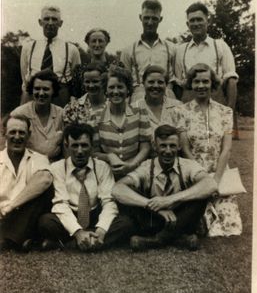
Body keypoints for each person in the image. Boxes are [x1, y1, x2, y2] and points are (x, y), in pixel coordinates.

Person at [112, 124, 217, 251]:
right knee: (130, 194)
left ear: (179, 146)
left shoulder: (188, 165)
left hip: (181, 218)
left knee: (201, 196)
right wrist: (152, 206)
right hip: (153, 219)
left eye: (172, 146)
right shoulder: (146, 167)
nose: (167, 151)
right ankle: (178, 238)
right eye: (163, 146)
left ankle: (156, 240)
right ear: (155, 147)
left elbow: (211, 184)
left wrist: (170, 200)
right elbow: (117, 189)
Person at [38, 123, 132, 251]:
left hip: (95, 216)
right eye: (75, 146)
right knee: (46, 221)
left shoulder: (102, 167)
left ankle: (68, 245)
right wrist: (78, 232)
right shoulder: (57, 168)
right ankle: (91, 242)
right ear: (66, 146)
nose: (80, 151)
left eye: (84, 145)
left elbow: (108, 202)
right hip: (70, 215)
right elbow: (60, 204)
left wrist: (101, 230)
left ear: (92, 146)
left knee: (125, 223)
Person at [179, 64, 242, 237]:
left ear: (212, 83)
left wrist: (215, 180)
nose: (200, 86)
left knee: (231, 226)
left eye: (205, 81)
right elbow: (184, 148)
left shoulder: (225, 112)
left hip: (219, 171)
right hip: (193, 172)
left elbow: (226, 149)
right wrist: (201, 177)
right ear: (191, 84)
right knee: (198, 224)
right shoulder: (181, 111)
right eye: (196, 81)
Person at [0, 115, 53, 251]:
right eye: (12, 132)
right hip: (2, 218)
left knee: (44, 192)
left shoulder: (38, 158)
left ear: (29, 135)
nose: (17, 137)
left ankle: (9, 240)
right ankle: (25, 240)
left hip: (25, 213)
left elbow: (45, 179)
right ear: (4, 133)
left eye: (22, 132)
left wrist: (11, 206)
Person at [174, 2, 238, 110]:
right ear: (187, 24)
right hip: (189, 105)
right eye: (192, 20)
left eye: (199, 19)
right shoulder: (181, 50)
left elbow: (231, 80)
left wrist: (229, 111)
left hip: (216, 103)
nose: (196, 23)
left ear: (207, 21)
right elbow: (178, 84)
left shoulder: (220, 46)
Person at [92, 66, 151, 180]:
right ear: (105, 90)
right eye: (111, 87)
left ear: (128, 89)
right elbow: (94, 152)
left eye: (120, 87)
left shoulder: (139, 112)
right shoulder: (95, 117)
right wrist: (109, 156)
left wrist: (132, 165)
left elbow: (145, 147)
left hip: (136, 169)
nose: (116, 92)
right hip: (107, 172)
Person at [20, 5, 81, 107]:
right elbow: (24, 76)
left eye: (54, 19)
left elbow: (77, 80)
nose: (50, 23)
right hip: (33, 95)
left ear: (60, 23)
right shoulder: (28, 47)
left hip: (60, 96)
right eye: (46, 19)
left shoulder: (71, 49)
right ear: (40, 22)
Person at [120, 0, 176, 102]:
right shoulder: (128, 50)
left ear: (160, 19)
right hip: (139, 97)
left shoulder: (172, 48)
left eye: (154, 18)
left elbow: (177, 80)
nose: (150, 22)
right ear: (140, 17)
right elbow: (125, 81)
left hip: (166, 96)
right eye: (146, 18)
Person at [11, 69, 63, 161]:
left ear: (53, 91)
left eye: (46, 89)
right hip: (27, 166)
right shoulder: (19, 114)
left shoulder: (61, 114)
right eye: (37, 89)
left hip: (55, 167)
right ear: (32, 90)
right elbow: (12, 149)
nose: (41, 93)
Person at [132, 65, 183, 143]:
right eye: (151, 82)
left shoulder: (178, 106)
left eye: (160, 82)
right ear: (143, 84)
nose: (156, 86)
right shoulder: (134, 109)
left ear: (166, 84)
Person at [71, 28, 116, 98]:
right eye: (93, 41)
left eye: (100, 41)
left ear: (106, 43)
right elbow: (75, 95)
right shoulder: (79, 70)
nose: (97, 45)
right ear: (88, 43)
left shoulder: (116, 67)